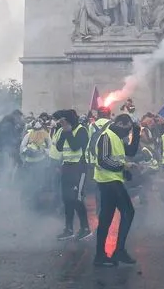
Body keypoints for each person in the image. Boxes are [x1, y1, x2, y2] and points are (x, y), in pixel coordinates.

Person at [92, 113, 141, 267]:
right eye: (127, 129)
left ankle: (100, 255)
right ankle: (118, 250)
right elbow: (104, 160)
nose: (128, 133)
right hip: (108, 181)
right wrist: (123, 166)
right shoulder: (107, 135)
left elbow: (131, 152)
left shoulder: (117, 137)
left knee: (106, 217)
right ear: (119, 124)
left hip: (112, 180)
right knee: (128, 211)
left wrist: (137, 131)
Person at [52, 109, 92, 240]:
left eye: (63, 121)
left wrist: (68, 131)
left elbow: (75, 146)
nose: (61, 123)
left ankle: (85, 228)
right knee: (67, 199)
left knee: (76, 198)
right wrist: (64, 131)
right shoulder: (62, 130)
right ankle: (68, 229)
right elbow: (59, 147)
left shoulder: (81, 130)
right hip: (66, 167)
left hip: (79, 167)